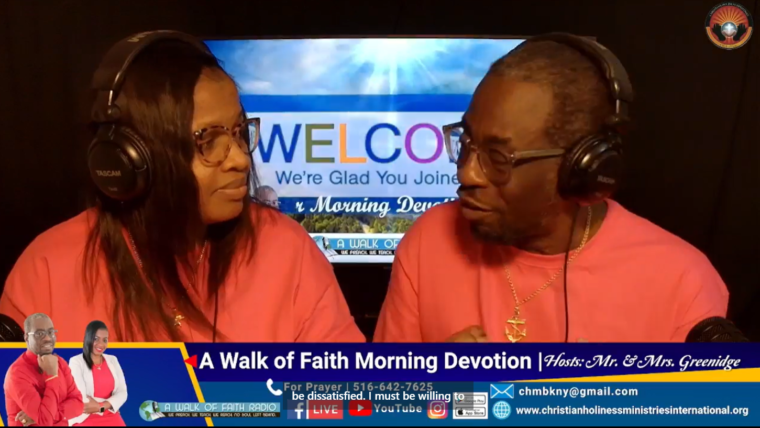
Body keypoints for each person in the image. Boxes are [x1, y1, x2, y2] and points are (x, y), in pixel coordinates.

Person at [0, 31, 364, 343]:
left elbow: (351, 393)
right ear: (130, 158)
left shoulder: (287, 250)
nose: (240, 159)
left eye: (239, 131)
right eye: (209, 141)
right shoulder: (47, 269)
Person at [374, 34, 729, 343]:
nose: (467, 173)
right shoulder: (429, 242)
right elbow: (380, 396)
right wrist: (438, 382)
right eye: (466, 142)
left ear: (581, 167)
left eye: (498, 158)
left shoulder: (683, 283)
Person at [3, 314, 83, 426]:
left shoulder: (60, 363)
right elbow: (45, 421)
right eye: (40, 334)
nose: (48, 338)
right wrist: (52, 376)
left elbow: (78, 405)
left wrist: (47, 415)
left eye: (50, 332)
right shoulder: (17, 374)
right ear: (26, 337)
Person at [68, 321, 127, 426]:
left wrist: (101, 407)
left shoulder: (113, 360)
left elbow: (122, 392)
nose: (101, 344)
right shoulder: (76, 362)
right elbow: (82, 398)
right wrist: (111, 403)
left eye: (105, 340)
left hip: (110, 414)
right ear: (88, 338)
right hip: (85, 417)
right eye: (96, 339)